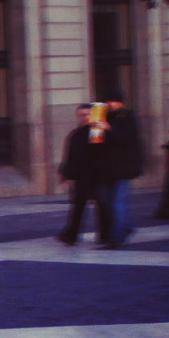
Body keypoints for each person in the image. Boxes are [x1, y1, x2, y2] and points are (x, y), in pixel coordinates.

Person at [89, 99, 145, 248]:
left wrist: (109, 129)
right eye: (108, 102)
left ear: (121, 102)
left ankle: (117, 237)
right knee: (107, 203)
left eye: (114, 101)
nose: (111, 105)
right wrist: (95, 130)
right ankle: (126, 227)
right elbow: (96, 143)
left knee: (118, 203)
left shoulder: (129, 117)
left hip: (125, 168)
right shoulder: (104, 116)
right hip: (107, 169)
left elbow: (128, 140)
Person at [55, 103, 100, 244]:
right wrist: (66, 173)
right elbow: (69, 156)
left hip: (95, 175)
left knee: (102, 206)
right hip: (81, 176)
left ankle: (105, 234)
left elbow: (98, 152)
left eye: (88, 114)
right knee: (78, 206)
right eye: (82, 115)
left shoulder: (96, 131)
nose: (85, 117)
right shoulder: (75, 134)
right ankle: (71, 235)